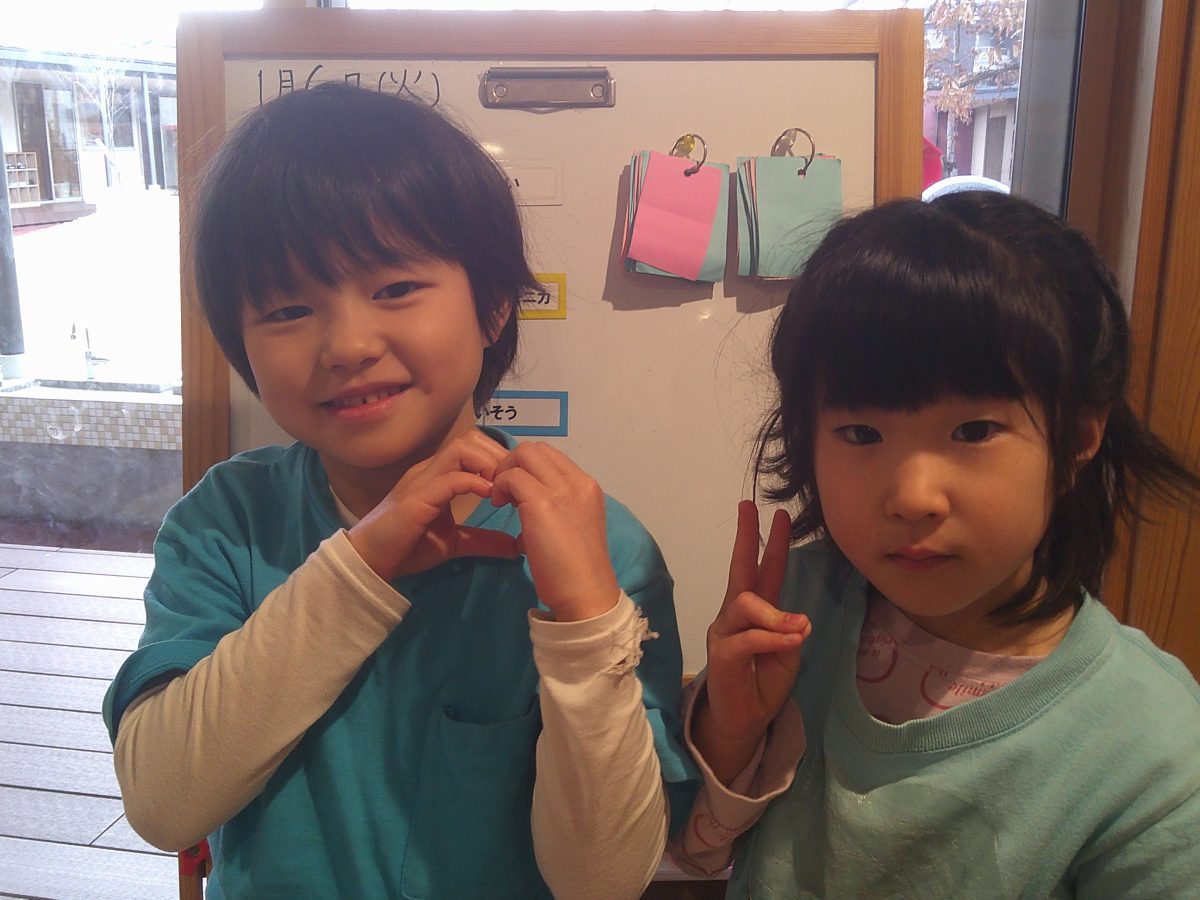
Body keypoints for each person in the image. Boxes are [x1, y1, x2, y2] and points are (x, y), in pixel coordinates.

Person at [102, 83, 695, 899]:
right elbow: (163, 804)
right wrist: (359, 567)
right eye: (287, 308)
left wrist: (587, 621)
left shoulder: (598, 549)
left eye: (395, 289)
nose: (347, 345)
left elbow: (604, 880)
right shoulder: (226, 524)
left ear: (493, 305)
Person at [671, 192, 1200, 897]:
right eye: (861, 433)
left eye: (973, 431)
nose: (913, 496)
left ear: (1077, 437)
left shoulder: (1153, 745)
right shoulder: (791, 611)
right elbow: (694, 854)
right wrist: (731, 731)